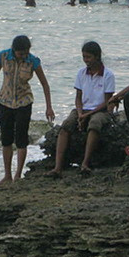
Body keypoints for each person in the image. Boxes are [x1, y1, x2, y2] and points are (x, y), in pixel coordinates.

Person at [46, 41, 115, 176]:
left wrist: (87, 115)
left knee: (94, 125)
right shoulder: (81, 73)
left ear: (97, 56)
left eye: (88, 57)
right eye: (84, 57)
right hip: (82, 109)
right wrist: (80, 113)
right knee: (65, 126)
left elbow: (108, 102)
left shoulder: (108, 75)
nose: (86, 60)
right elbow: (78, 97)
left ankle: (85, 163)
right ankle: (57, 167)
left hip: (100, 110)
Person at [0, 35, 55, 184]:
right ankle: (7, 175)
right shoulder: (3, 56)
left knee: (21, 140)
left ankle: (18, 175)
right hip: (4, 102)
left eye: (26, 52)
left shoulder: (32, 61)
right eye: (21, 53)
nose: (24, 56)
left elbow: (45, 84)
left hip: (24, 103)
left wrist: (49, 107)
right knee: (6, 139)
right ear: (14, 50)